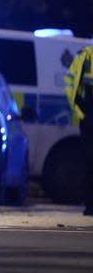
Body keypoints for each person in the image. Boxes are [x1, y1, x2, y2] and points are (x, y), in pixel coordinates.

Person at [64, 46, 93, 216]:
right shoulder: (85, 56)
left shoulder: (85, 55)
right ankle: (90, 204)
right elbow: (70, 84)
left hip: (87, 113)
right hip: (88, 114)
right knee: (90, 161)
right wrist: (79, 111)